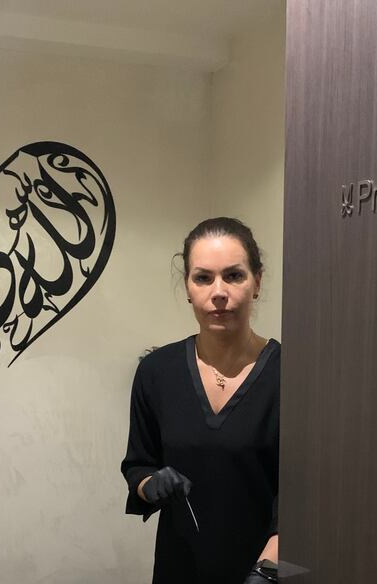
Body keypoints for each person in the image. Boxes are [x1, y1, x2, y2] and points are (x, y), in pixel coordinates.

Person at [120, 217, 280, 584]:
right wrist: (151, 483)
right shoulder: (157, 371)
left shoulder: (292, 376)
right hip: (179, 569)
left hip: (261, 571)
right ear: (189, 288)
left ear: (257, 281)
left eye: (234, 276)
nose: (218, 291)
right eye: (203, 278)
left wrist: (268, 571)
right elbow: (137, 465)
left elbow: (302, 495)